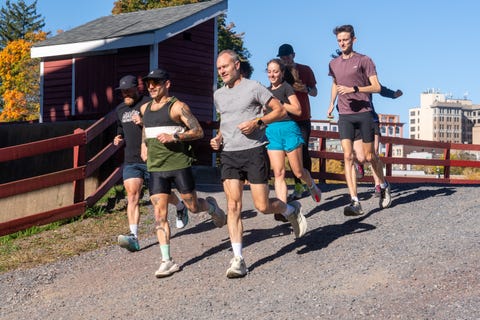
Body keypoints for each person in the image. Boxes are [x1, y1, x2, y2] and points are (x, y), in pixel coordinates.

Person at [211, 50, 307, 279]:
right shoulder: (218, 95)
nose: (221, 71)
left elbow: (280, 110)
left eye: (225, 66)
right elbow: (225, 121)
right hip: (229, 154)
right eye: (218, 68)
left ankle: (290, 210)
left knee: (262, 206)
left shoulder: (254, 87)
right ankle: (238, 259)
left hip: (253, 151)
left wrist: (258, 121)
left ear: (236, 65)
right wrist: (218, 138)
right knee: (233, 206)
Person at [140, 68, 226, 278]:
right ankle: (166, 260)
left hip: (179, 165)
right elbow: (145, 129)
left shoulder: (177, 107)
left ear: (167, 84)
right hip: (156, 167)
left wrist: (175, 138)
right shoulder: (144, 108)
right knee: (159, 215)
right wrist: (144, 147)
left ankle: (211, 206)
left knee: (193, 207)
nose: (151, 86)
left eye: (156, 83)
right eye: (148, 83)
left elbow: (198, 131)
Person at [113, 75, 188, 253]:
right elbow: (120, 128)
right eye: (122, 92)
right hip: (131, 159)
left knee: (163, 194)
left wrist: (143, 123)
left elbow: (161, 124)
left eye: (128, 90)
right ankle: (134, 237)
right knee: (132, 196)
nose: (125, 94)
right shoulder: (120, 109)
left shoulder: (149, 104)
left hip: (152, 158)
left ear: (137, 88)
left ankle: (180, 206)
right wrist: (118, 137)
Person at [327, 24, 392, 216]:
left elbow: (376, 87)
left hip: (364, 113)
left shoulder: (364, 60)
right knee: (348, 156)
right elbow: (335, 84)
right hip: (345, 115)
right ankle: (354, 201)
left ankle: (384, 185)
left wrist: (355, 89)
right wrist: (331, 103)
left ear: (353, 40)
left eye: (345, 39)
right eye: (339, 40)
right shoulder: (334, 63)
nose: (342, 43)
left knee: (369, 157)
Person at [264, 58, 321, 223]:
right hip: (272, 132)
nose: (272, 74)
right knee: (279, 173)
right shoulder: (265, 92)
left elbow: (297, 109)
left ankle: (311, 185)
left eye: (275, 71)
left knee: (298, 171)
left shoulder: (286, 87)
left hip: (289, 129)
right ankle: (284, 209)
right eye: (269, 71)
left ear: (282, 73)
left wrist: (280, 104)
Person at [277, 43, 318, 201]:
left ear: (293, 55)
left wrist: (305, 89)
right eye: (282, 57)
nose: (285, 59)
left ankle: (308, 182)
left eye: (287, 56)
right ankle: (298, 186)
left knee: (303, 150)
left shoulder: (305, 70)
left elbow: (315, 92)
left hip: (303, 117)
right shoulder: (279, 72)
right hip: (286, 118)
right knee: (291, 152)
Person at [353, 86, 403, 197]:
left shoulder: (367, 77)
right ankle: (359, 163)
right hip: (355, 120)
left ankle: (378, 184)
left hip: (371, 119)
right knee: (361, 156)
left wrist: (393, 94)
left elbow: (378, 88)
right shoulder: (347, 79)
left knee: (373, 153)